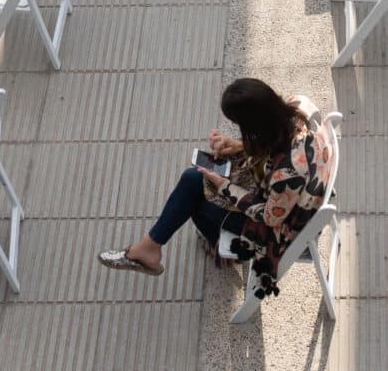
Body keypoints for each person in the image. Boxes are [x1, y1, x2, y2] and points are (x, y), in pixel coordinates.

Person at [98, 78, 335, 302]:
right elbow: (274, 141)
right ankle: (149, 247)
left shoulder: (288, 173)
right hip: (287, 196)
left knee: (196, 205)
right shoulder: (295, 109)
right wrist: (237, 146)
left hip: (277, 230)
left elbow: (269, 217)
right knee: (193, 179)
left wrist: (225, 187)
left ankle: (207, 250)